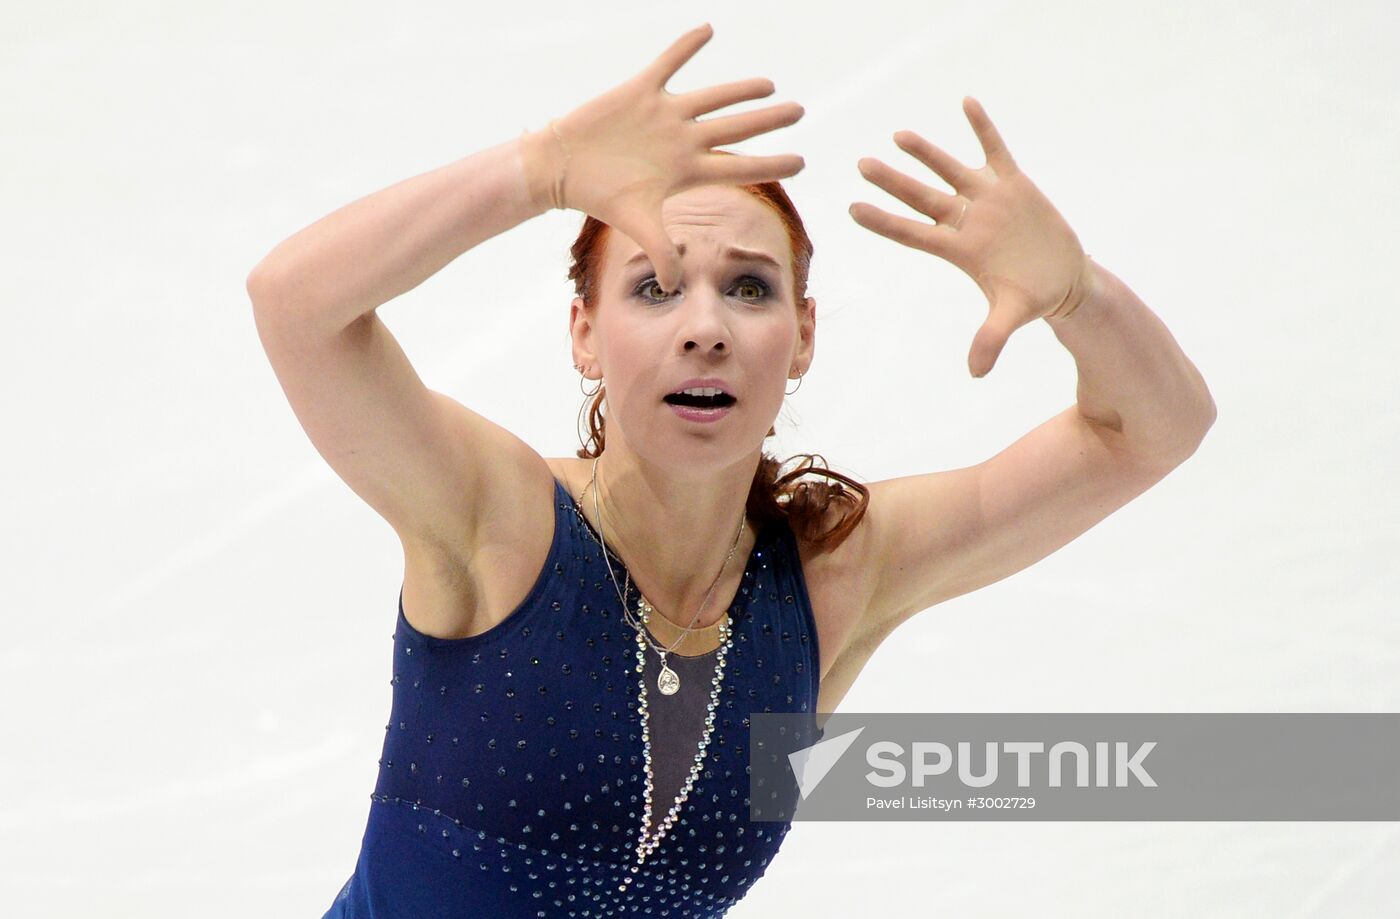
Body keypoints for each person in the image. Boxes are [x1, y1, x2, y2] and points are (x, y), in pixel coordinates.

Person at [246, 22, 1216, 919]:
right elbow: (296, 304)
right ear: (585, 334)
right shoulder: (498, 518)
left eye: (747, 288)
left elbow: (1151, 431)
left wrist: (1076, 292)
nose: (703, 327)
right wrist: (537, 172)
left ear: (799, 336)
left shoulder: (835, 573)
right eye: (654, 287)